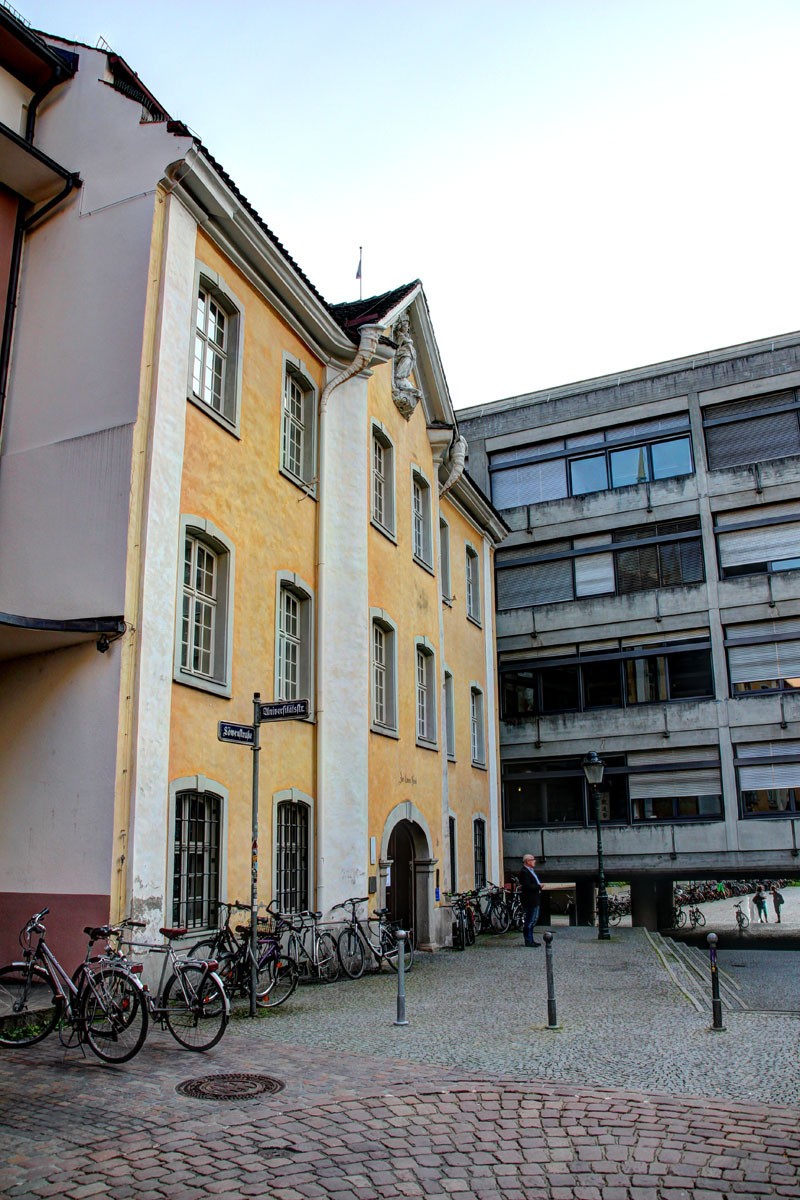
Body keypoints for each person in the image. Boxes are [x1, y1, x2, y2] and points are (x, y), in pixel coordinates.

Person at [518, 853, 542, 947]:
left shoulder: (530, 871)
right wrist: (538, 887)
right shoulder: (524, 872)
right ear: (528, 861)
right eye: (533, 860)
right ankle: (528, 940)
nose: (534, 861)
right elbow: (527, 886)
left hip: (534, 898)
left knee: (533, 920)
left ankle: (531, 939)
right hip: (530, 899)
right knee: (529, 920)